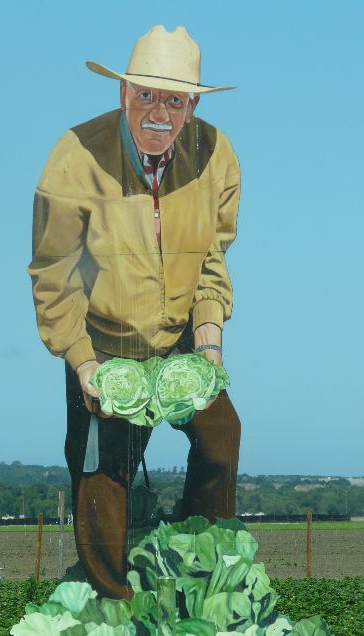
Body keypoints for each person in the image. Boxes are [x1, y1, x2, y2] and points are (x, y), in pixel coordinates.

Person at [28, 25, 241, 599]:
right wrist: (83, 363)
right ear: (122, 93)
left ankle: (199, 565)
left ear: (192, 106)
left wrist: (209, 343)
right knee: (103, 474)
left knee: (221, 438)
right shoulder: (74, 157)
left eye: (174, 100)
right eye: (145, 94)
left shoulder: (216, 155)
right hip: (102, 338)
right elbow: (53, 272)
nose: (158, 112)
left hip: (180, 334)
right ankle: (111, 598)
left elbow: (213, 258)